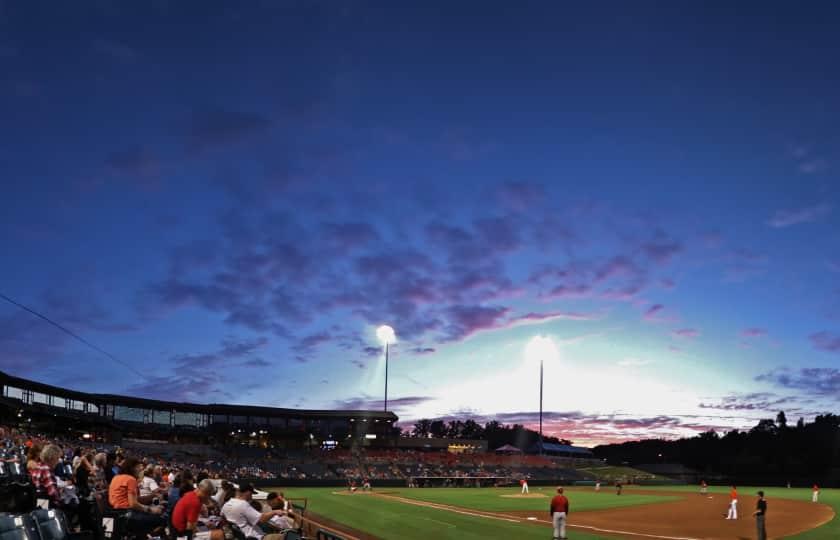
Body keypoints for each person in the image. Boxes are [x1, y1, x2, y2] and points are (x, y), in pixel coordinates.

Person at [108, 457, 166, 537]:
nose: (140, 469)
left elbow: (135, 500)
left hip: (117, 514)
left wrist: (152, 496)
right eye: (138, 467)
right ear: (132, 468)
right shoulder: (130, 479)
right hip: (127, 515)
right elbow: (133, 504)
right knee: (162, 520)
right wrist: (151, 510)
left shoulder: (116, 477)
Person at [221, 484, 287, 540]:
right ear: (247, 492)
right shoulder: (243, 504)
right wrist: (275, 512)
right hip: (255, 537)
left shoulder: (226, 505)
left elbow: (222, 517)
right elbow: (262, 519)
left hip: (240, 536)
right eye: (251, 494)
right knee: (285, 536)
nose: (251, 496)